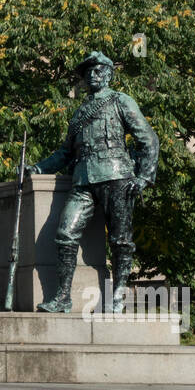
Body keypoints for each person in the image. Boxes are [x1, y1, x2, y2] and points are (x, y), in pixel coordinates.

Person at [28, 50, 159, 313]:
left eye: (98, 71)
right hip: (83, 180)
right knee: (65, 234)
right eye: (88, 72)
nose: (93, 75)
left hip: (117, 176)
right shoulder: (79, 113)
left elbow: (148, 138)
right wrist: (38, 167)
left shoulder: (121, 100)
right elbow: (65, 153)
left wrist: (144, 176)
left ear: (109, 74)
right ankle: (63, 298)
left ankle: (119, 296)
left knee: (120, 240)